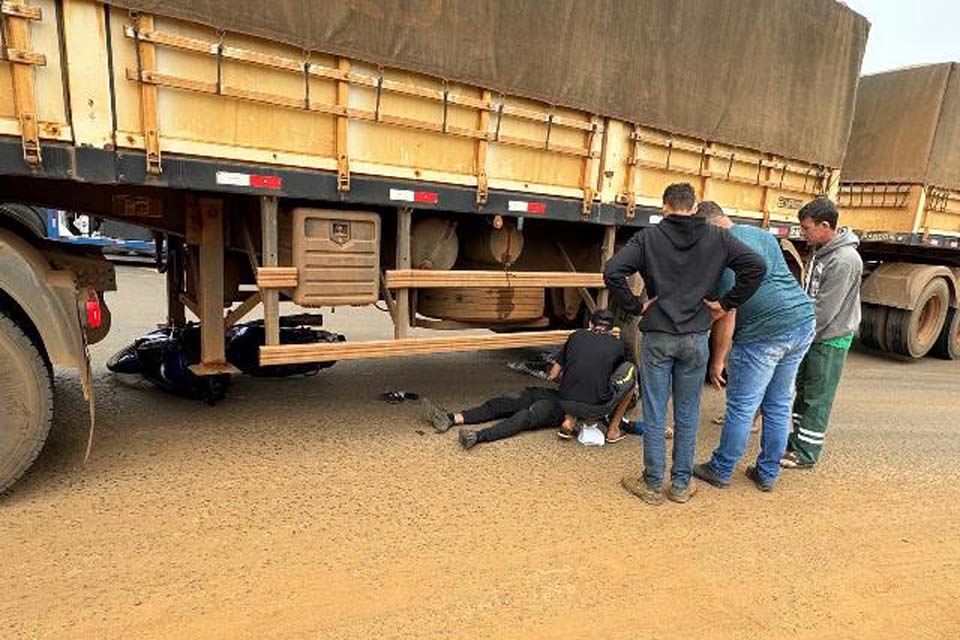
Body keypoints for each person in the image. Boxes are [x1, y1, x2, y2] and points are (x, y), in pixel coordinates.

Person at [604, 183, 766, 505]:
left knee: (654, 409)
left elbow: (613, 271)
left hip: (658, 336)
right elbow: (756, 267)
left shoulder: (648, 237)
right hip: (695, 338)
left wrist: (636, 306)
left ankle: (651, 483)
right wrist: (724, 303)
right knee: (688, 412)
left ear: (664, 207)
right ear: (694, 208)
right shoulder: (717, 237)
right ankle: (680, 484)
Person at [691, 202, 816, 491]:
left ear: (710, 226)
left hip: (764, 333)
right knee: (778, 403)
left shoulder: (722, 253)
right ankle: (768, 473)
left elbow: (725, 313)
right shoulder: (760, 235)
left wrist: (717, 360)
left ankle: (721, 469)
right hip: (802, 321)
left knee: (742, 406)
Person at [422, 310, 632, 449]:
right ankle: (460, 424)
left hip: (567, 401)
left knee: (523, 405)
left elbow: (553, 375)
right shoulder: (617, 350)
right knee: (525, 407)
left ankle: (467, 428)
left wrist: (571, 380)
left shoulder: (577, 336)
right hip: (576, 403)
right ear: (611, 329)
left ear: (590, 324)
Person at [781, 197, 862, 469]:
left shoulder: (844, 260)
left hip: (829, 339)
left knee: (817, 398)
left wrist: (798, 335)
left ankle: (806, 454)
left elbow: (825, 311)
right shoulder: (824, 251)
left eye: (806, 228)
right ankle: (797, 442)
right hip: (814, 336)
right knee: (803, 392)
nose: (803, 233)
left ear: (825, 225)